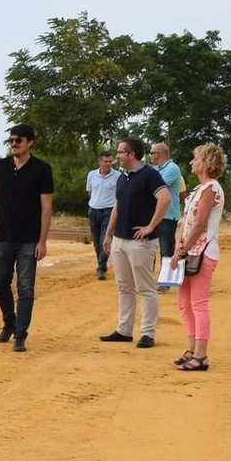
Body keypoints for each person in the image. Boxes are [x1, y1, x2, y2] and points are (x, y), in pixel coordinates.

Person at [0, 123, 54, 353]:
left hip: (29, 241)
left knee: (25, 288)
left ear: (29, 142)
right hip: (4, 237)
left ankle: (20, 335)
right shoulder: (0, 167)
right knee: (0, 284)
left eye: (18, 140)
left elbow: (46, 207)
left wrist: (42, 241)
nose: (14, 144)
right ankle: (9, 323)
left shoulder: (42, 169)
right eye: (11, 140)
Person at [100, 137, 170, 348]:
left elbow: (165, 198)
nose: (118, 156)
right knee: (124, 287)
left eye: (121, 152)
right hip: (120, 240)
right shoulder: (123, 178)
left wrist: (150, 226)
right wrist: (109, 233)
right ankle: (124, 330)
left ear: (131, 154)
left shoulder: (150, 174)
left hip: (141, 242)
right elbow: (118, 206)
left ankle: (147, 333)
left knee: (145, 288)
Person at [170, 143, 226, 372]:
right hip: (190, 252)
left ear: (206, 163)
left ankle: (201, 355)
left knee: (198, 304)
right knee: (184, 303)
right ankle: (193, 349)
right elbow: (187, 223)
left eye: (196, 159)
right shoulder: (200, 189)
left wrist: (182, 249)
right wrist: (179, 246)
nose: (192, 162)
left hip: (202, 252)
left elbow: (200, 224)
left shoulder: (211, 188)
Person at [149, 142, 184, 265]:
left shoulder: (172, 168)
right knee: (150, 249)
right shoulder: (157, 169)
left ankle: (167, 276)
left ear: (158, 154)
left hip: (167, 216)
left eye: (152, 153)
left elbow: (155, 188)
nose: (150, 156)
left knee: (166, 250)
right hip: (156, 215)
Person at [85, 151, 119, 280]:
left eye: (110, 161)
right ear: (99, 162)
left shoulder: (117, 176)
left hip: (109, 212)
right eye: (105, 161)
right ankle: (101, 262)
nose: (108, 164)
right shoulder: (91, 175)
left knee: (104, 240)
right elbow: (90, 191)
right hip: (94, 210)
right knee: (96, 241)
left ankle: (101, 268)